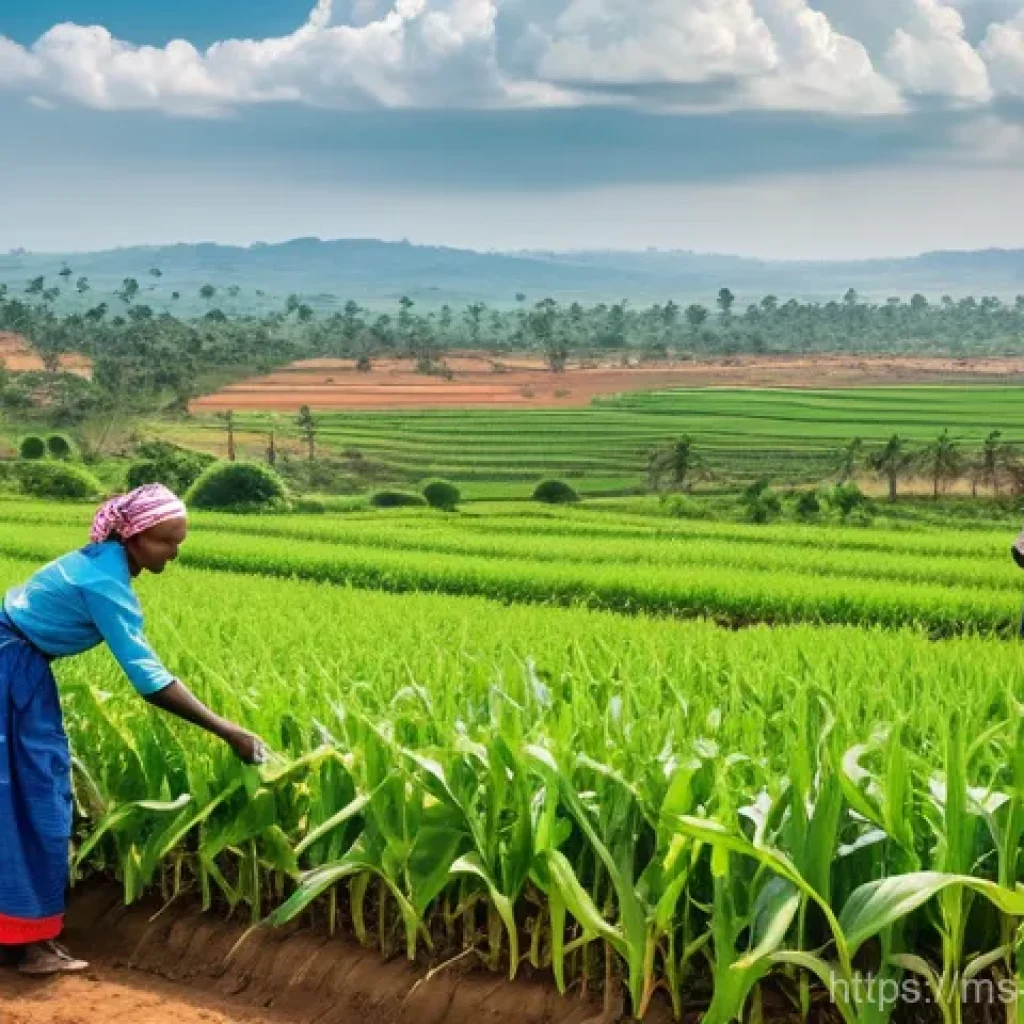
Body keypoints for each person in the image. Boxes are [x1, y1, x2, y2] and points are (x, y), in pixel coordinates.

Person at [0, 483, 266, 976]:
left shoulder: (99, 560)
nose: (175, 552)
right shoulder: (105, 584)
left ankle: (24, 936)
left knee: (28, 801)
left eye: (180, 541)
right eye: (167, 541)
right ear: (135, 539)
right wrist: (231, 732)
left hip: (18, 667)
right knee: (30, 805)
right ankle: (26, 943)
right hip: (10, 673)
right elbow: (151, 681)